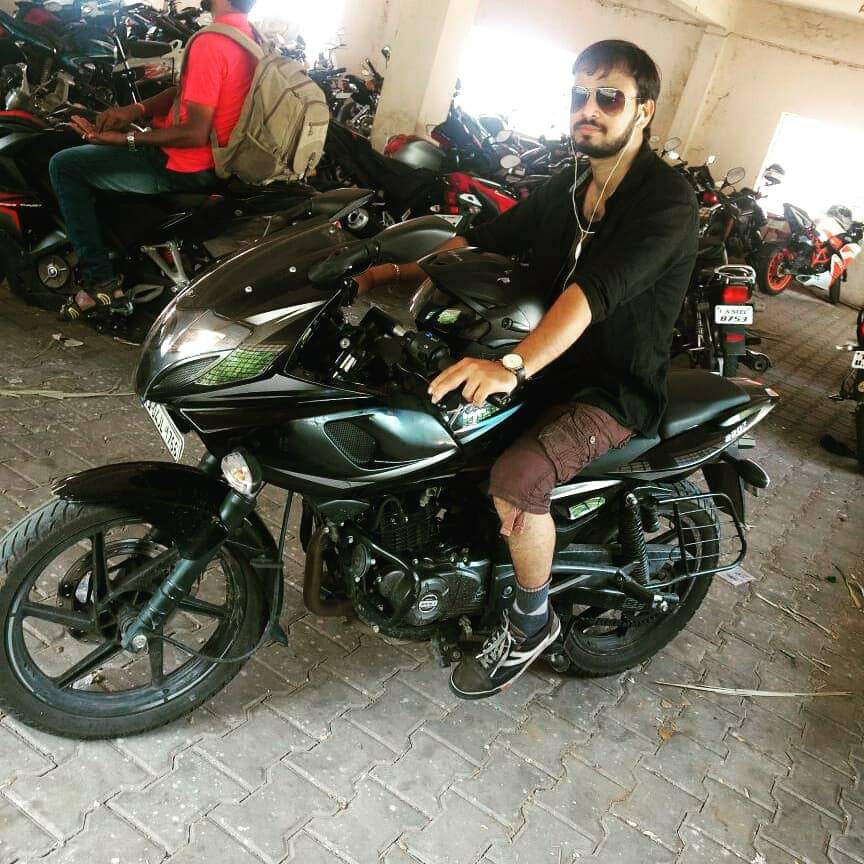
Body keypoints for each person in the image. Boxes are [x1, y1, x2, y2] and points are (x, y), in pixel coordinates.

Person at [355, 40, 698, 699]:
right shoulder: (573, 184)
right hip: (549, 367)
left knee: (517, 479)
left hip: (610, 388)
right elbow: (487, 240)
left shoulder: (665, 201)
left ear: (644, 110)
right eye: (579, 94)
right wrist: (392, 271)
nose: (588, 108)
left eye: (609, 96)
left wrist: (511, 365)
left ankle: (530, 621)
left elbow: (593, 294)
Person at [51, 0, 259, 320]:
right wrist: (134, 111)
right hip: (222, 158)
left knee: (65, 165)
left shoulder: (211, 41)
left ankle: (99, 283)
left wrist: (126, 139)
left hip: (185, 164)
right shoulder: (248, 36)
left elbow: (194, 133)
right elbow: (186, 92)